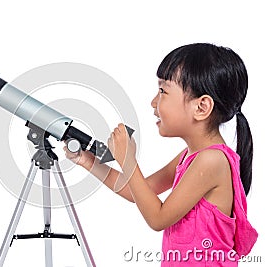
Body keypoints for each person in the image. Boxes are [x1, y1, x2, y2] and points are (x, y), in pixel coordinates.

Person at [64, 43, 258, 266]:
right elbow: (136, 191)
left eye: (163, 91)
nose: (154, 102)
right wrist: (88, 162)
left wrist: (128, 160)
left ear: (201, 107)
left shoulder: (211, 161)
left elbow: (158, 218)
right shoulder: (191, 156)